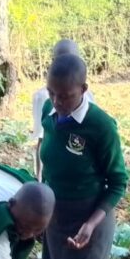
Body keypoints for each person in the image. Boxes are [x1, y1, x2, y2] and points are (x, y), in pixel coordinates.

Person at [38, 53, 128, 259]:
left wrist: (90, 224)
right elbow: (48, 162)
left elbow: (117, 181)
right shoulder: (48, 114)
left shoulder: (100, 126)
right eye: (52, 93)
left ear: (84, 90)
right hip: (56, 217)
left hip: (90, 219)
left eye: (65, 95)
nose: (57, 101)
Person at [30, 39, 95, 178]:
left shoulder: (88, 96)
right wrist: (39, 179)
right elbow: (42, 140)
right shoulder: (42, 98)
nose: (57, 101)